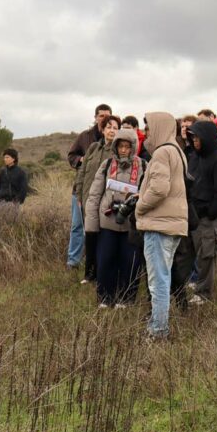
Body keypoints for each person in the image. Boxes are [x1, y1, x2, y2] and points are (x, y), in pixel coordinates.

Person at [135, 111, 189, 340]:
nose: (146, 133)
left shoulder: (161, 153)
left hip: (160, 225)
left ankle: (158, 331)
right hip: (171, 223)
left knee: (158, 281)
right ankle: (158, 325)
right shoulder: (176, 150)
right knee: (162, 277)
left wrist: (139, 206)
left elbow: (159, 189)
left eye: (148, 128)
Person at [84, 128, 144, 308]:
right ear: (115, 147)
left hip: (131, 225)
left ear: (133, 147)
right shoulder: (107, 164)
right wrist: (91, 225)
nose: (124, 150)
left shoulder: (143, 165)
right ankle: (105, 298)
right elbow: (94, 195)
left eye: (127, 146)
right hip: (107, 222)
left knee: (130, 264)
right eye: (121, 146)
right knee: (105, 261)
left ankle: (127, 299)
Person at [185, 120, 217, 304]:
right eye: (192, 137)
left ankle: (203, 293)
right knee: (188, 254)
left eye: (197, 136)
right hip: (191, 214)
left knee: (206, 255)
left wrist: (210, 213)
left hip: (206, 217)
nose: (194, 140)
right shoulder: (194, 157)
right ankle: (186, 286)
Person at [66, 104, 112, 269]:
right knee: (78, 226)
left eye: (107, 116)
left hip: (103, 193)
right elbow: (71, 156)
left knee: (99, 228)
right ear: (95, 117)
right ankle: (73, 261)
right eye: (101, 116)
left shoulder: (114, 140)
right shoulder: (84, 137)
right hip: (81, 190)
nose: (104, 119)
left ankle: (95, 263)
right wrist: (81, 161)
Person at [75, 115, 121, 284]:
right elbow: (82, 171)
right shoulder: (93, 148)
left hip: (106, 202)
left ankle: (103, 273)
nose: (111, 130)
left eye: (115, 128)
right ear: (102, 129)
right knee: (90, 236)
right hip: (88, 198)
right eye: (108, 127)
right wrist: (78, 193)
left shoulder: (117, 151)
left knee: (104, 238)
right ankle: (89, 273)